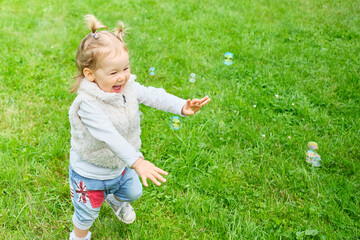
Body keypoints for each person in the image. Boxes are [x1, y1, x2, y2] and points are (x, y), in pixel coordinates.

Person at [68, 15, 210, 240]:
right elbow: (110, 136)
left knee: (133, 191)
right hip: (90, 173)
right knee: (87, 213)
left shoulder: (127, 87)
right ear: (90, 75)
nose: (122, 77)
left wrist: (181, 106)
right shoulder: (87, 105)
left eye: (125, 68)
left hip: (120, 165)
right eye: (113, 73)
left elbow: (154, 95)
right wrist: (138, 162)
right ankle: (78, 237)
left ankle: (114, 199)